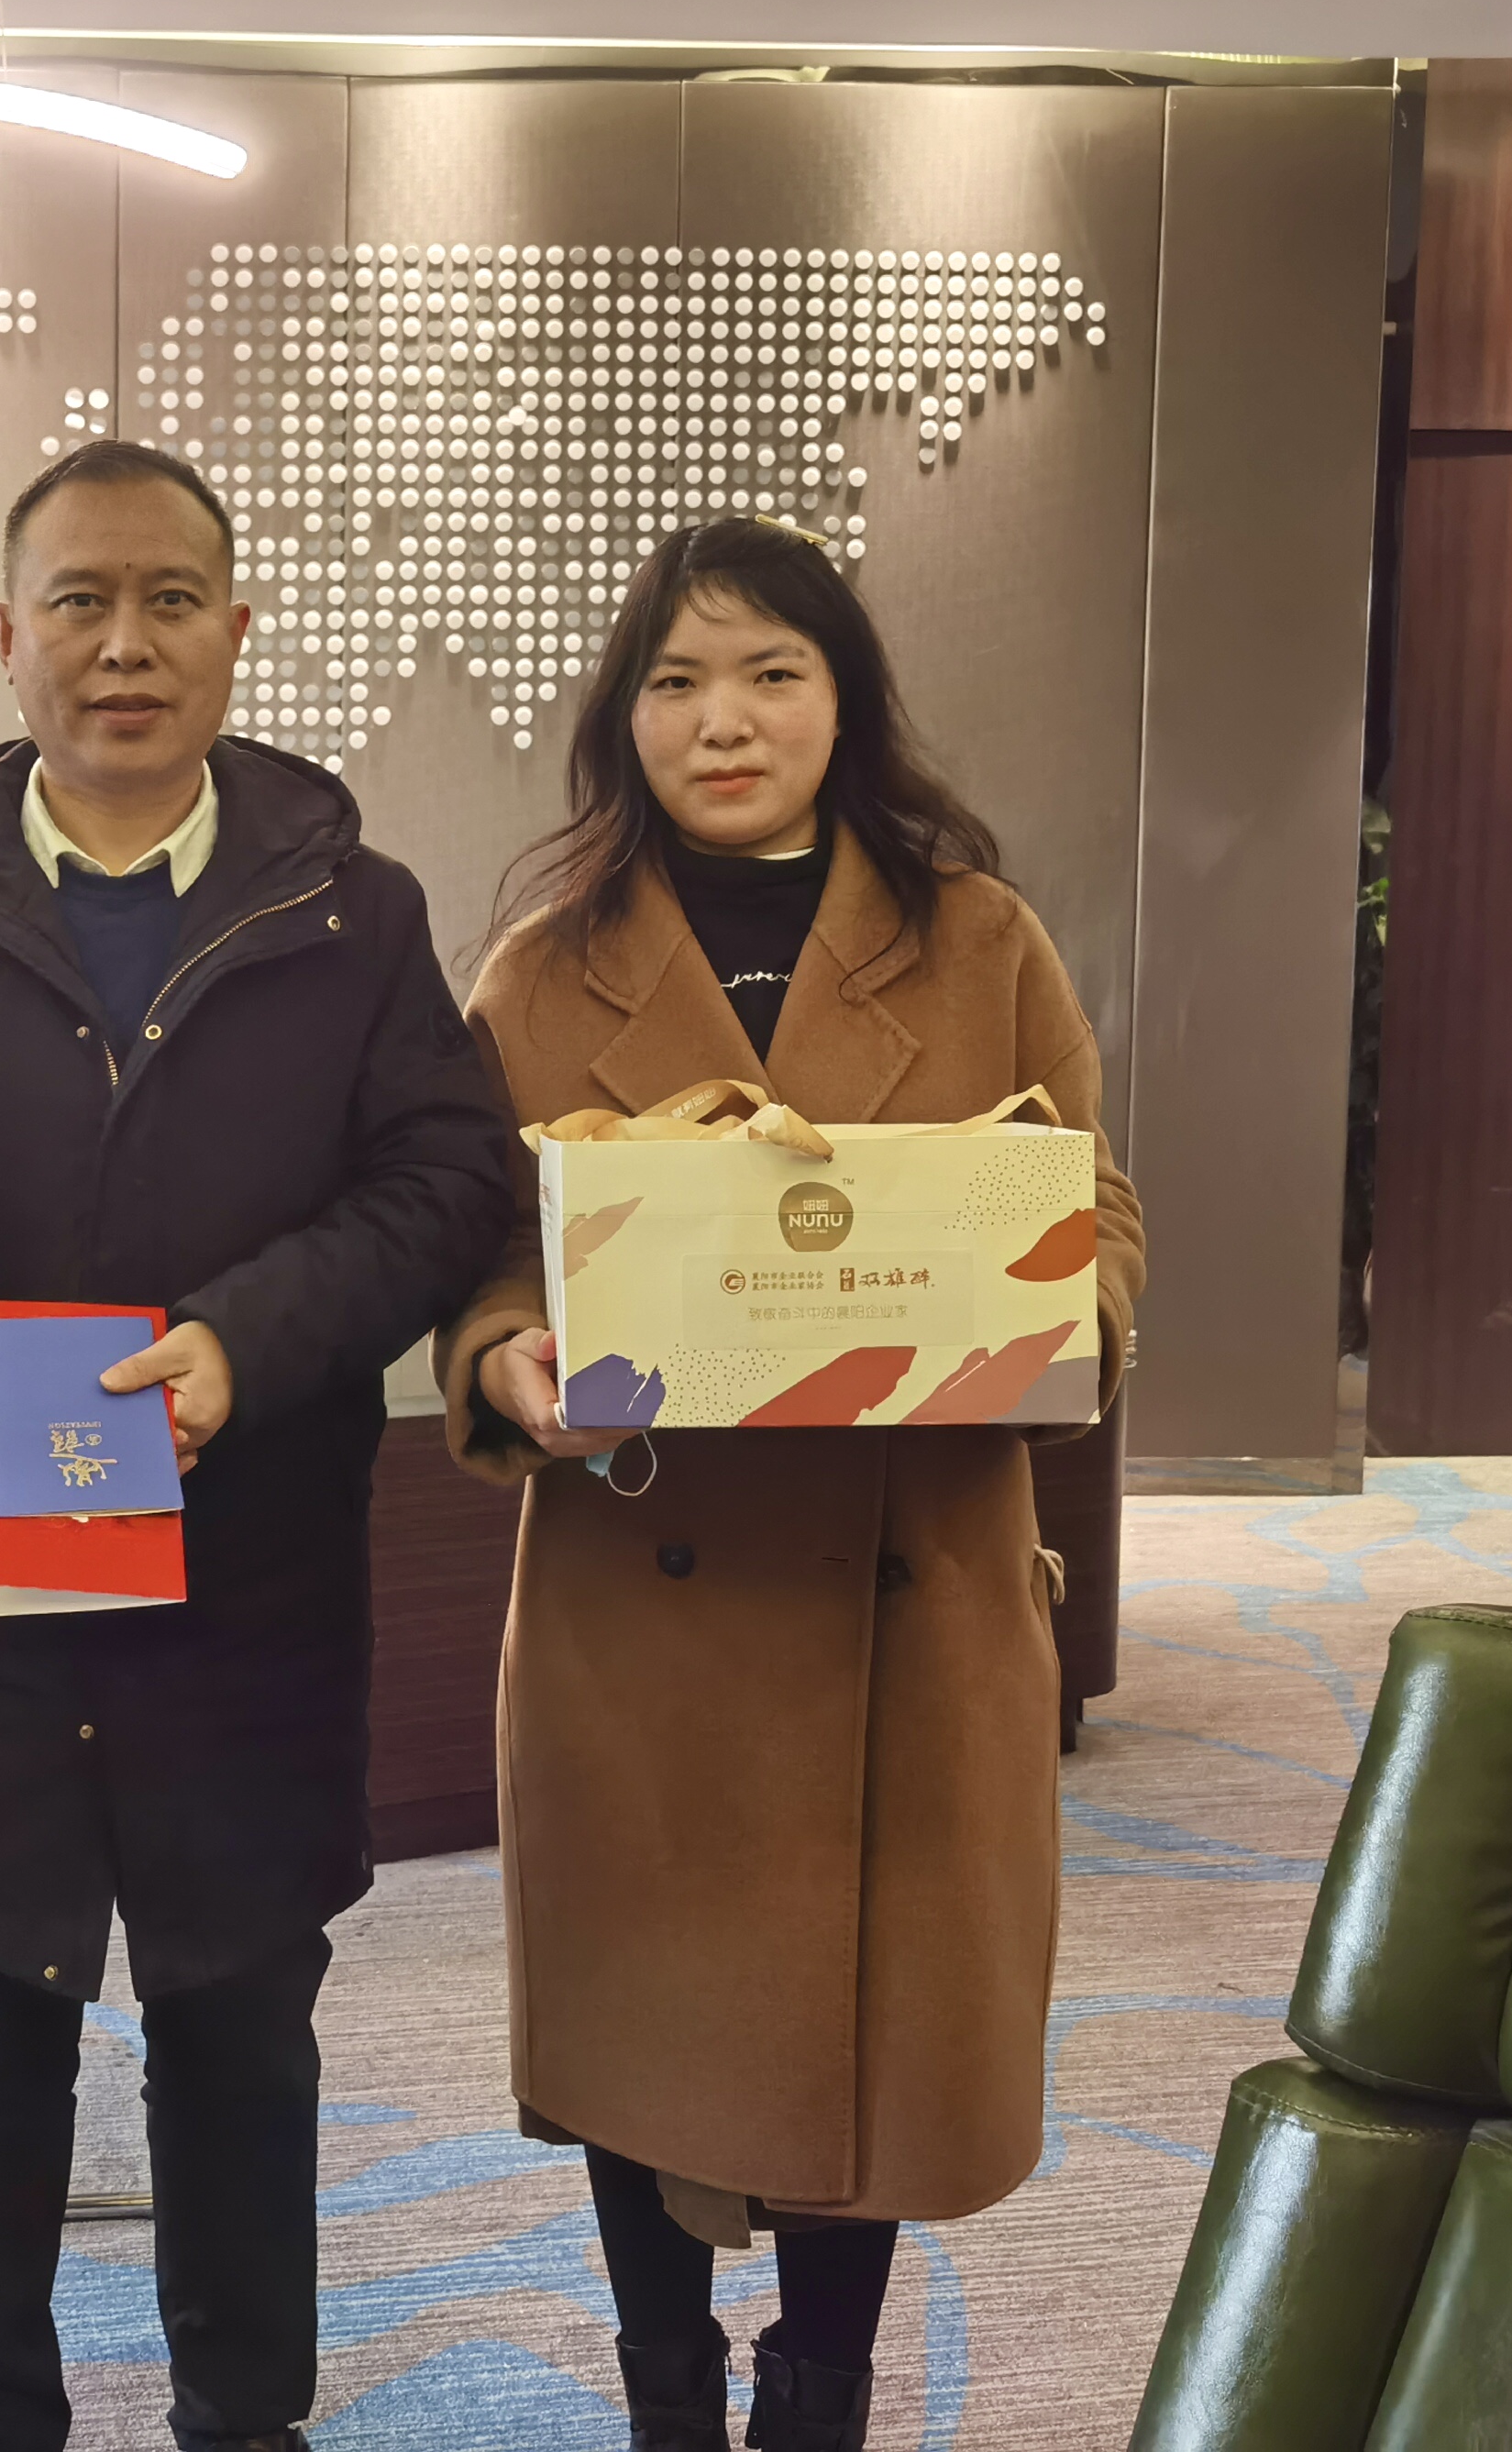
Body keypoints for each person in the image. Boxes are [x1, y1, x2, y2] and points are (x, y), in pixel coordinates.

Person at [0, 440, 516, 2452]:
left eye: (170, 600)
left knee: (241, 2037)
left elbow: (447, 1180)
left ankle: (244, 2422)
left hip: (247, 1585)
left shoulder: (352, 914)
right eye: (78, 602)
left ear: (235, 632)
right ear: (5, 637)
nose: (124, 644)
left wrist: (243, 1343)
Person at [436, 515, 1143, 2452]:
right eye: (674, 682)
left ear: (844, 702)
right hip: (636, 1610)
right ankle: (663, 2394)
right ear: (623, 716)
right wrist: (502, 1357)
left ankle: (817, 2396)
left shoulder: (978, 940)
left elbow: (1096, 1211)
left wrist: (1041, 1310)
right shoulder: (541, 971)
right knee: (634, 2028)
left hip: (914, 1589)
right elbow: (482, 1254)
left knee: (884, 2038)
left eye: (769, 674)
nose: (721, 720)